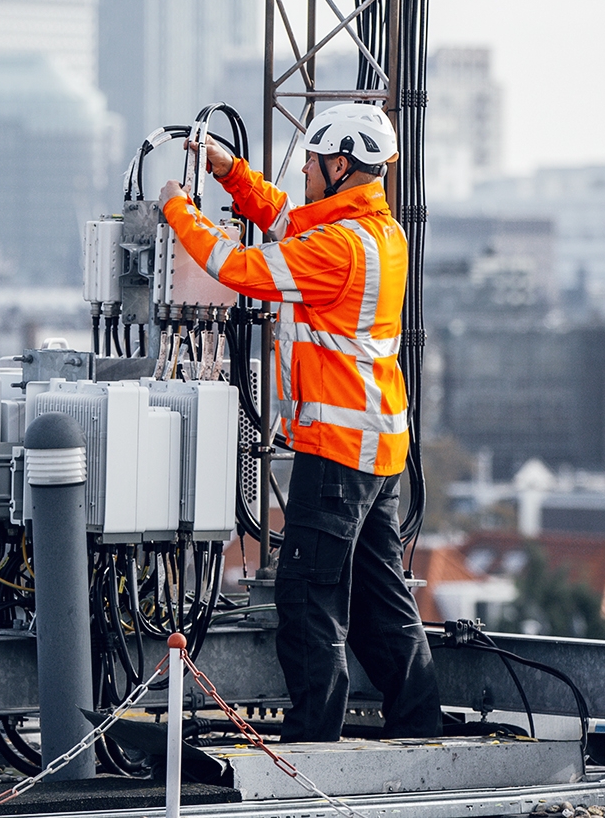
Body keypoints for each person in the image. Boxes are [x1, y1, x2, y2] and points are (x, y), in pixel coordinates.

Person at [157, 103, 440, 742]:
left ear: (341, 164)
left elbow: (238, 268)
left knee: (309, 598)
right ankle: (419, 725)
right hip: (376, 446)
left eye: (311, 162)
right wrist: (232, 173)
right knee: (379, 597)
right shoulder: (376, 233)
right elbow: (291, 222)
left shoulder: (338, 248)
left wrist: (177, 208)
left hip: (337, 450)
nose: (305, 171)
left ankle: (313, 742)